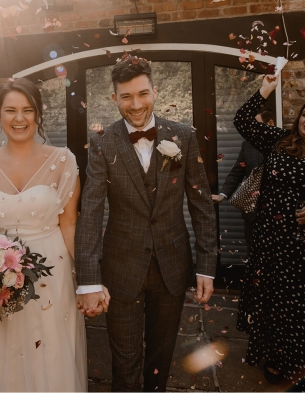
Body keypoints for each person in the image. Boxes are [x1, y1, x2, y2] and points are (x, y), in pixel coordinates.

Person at [75, 54, 218, 392]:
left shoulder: (183, 136)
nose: (135, 104)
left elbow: (201, 204)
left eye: (142, 94)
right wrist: (89, 279)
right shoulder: (101, 142)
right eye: (126, 96)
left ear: (154, 91)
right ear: (114, 98)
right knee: (124, 361)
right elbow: (91, 210)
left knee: (161, 356)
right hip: (121, 267)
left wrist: (207, 266)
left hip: (172, 264)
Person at [0, 78, 86, 391]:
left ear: (38, 114)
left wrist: (84, 274)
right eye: (10, 110)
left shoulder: (62, 160)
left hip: (51, 273)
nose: (19, 118)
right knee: (1, 345)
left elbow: (69, 222)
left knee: (50, 350)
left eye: (28, 110)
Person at [233, 74, 305, 390]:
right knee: (273, 303)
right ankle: (278, 359)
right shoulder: (282, 141)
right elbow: (242, 120)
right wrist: (265, 89)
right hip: (271, 241)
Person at [213, 107, 275, 251]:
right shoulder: (247, 145)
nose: (250, 131)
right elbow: (236, 173)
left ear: (270, 123)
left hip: (280, 217)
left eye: (254, 125)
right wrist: (223, 195)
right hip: (252, 216)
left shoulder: (288, 145)